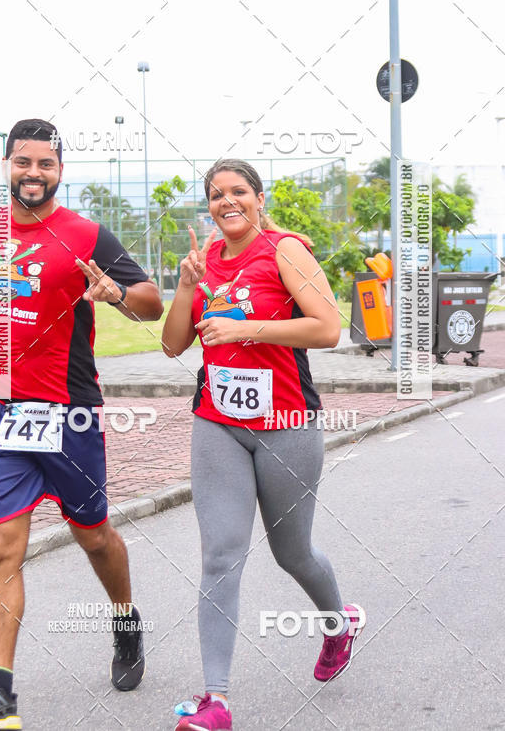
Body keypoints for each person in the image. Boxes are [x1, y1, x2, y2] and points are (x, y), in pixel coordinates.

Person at [0, 119, 163, 730]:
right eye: (23, 162)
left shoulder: (85, 234)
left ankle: (125, 621)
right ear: (6, 166)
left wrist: (114, 294)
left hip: (68, 414)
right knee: (0, 547)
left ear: (59, 173)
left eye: (45, 165)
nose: (33, 174)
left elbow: (152, 300)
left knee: (94, 536)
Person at [162, 158, 365, 731]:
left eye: (238, 192)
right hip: (217, 422)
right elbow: (175, 344)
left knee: (292, 552)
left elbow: (327, 327)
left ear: (258, 197)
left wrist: (248, 328)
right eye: (216, 195)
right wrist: (185, 287)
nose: (228, 202)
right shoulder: (206, 263)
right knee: (220, 555)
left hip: (287, 423)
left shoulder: (283, 250)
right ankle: (216, 701)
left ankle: (338, 622)